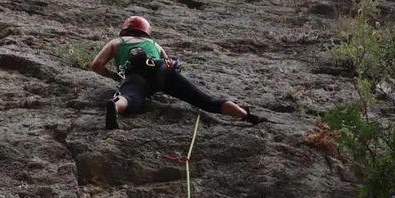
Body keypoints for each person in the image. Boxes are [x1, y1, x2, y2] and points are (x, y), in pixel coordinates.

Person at [89, 16, 267, 130]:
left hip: (136, 75)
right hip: (163, 72)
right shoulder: (155, 45)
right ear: (146, 32)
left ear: (125, 29)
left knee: (130, 98)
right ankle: (246, 115)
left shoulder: (117, 42)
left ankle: (115, 106)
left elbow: (96, 65)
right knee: (205, 100)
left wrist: (115, 76)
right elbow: (170, 62)